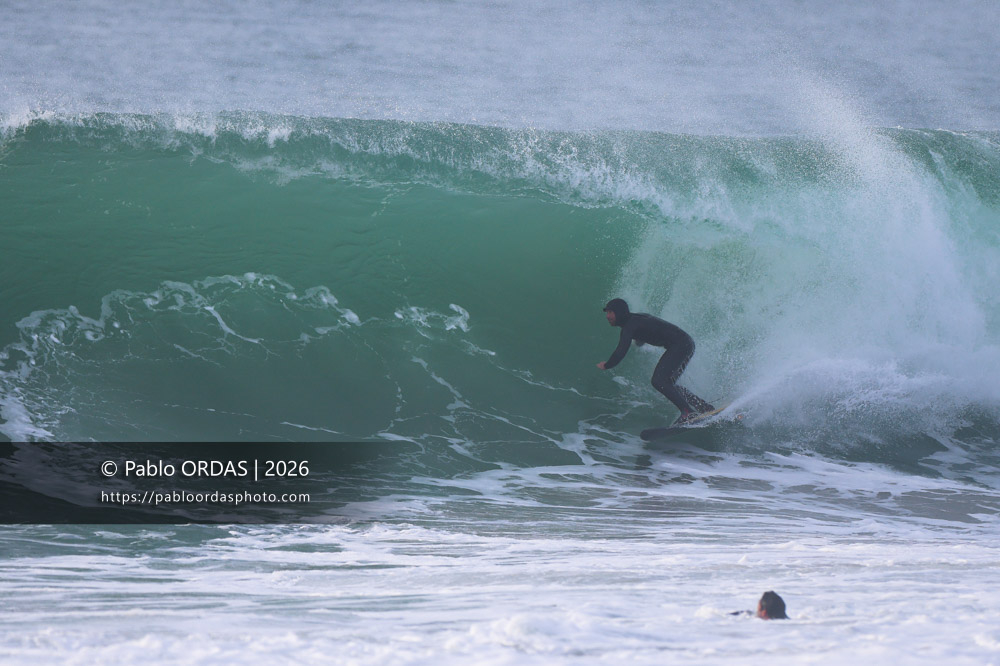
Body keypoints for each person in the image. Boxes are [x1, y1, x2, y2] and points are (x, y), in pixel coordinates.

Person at [597, 298, 713, 425]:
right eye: (607, 313)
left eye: (610, 312)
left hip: (680, 345)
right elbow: (650, 327)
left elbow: (620, 352)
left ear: (619, 313)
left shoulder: (629, 327)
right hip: (686, 343)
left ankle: (688, 413)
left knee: (659, 381)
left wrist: (607, 365)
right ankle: (703, 407)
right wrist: (640, 340)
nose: (607, 316)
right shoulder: (635, 320)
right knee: (668, 384)